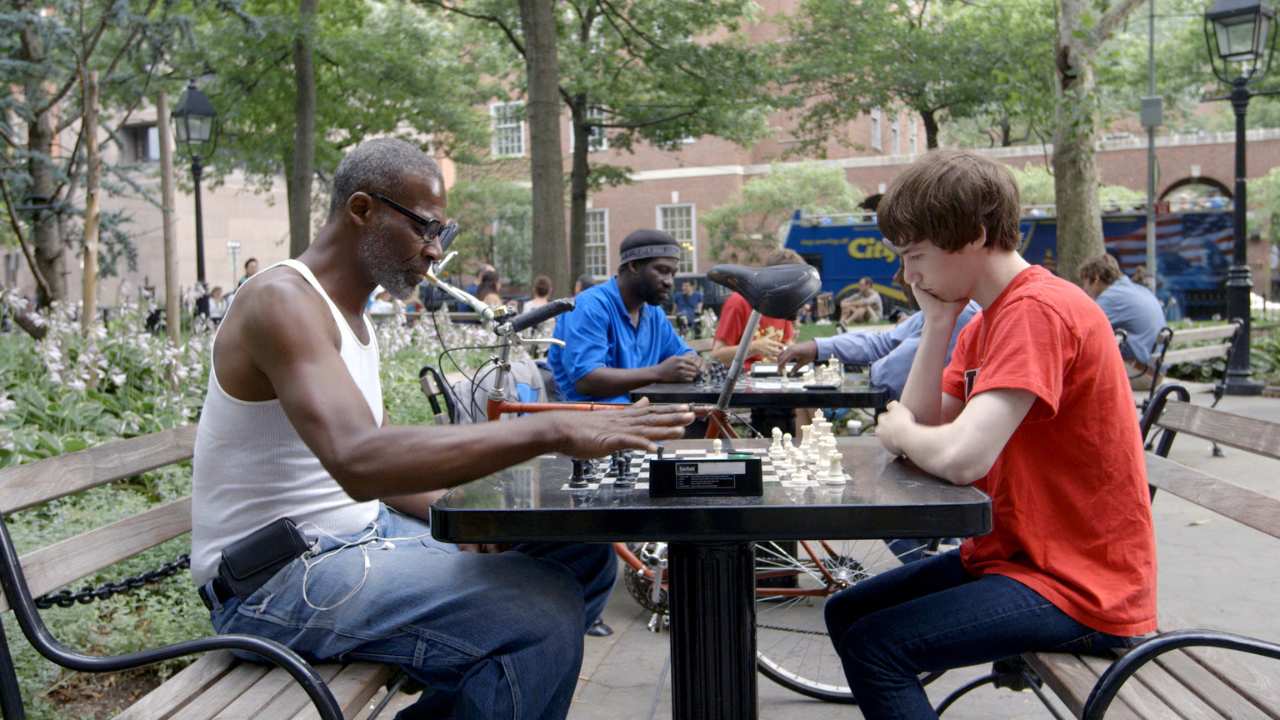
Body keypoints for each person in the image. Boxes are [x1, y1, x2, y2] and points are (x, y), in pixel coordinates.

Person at [190, 138, 692, 720]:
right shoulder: (282, 301)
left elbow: (382, 475)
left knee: (582, 556)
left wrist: (467, 523)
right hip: (275, 581)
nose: (433, 252)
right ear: (361, 210)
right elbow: (361, 460)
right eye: (426, 229)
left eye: (441, 236)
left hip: (357, 539)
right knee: (537, 618)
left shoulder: (349, 316)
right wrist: (550, 430)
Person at [824, 150, 1156, 720]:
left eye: (916, 255)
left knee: (876, 646)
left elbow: (956, 456)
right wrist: (936, 322)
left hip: (1081, 585)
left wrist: (902, 429)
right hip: (1018, 558)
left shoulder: (1038, 310)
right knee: (847, 614)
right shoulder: (985, 320)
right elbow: (929, 428)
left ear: (975, 234)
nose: (908, 276)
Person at [548, 229, 702, 404]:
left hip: (635, 416)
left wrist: (692, 363)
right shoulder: (590, 306)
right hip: (586, 422)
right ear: (634, 266)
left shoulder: (653, 314)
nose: (669, 282)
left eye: (672, 274)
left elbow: (683, 353)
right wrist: (658, 373)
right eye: (662, 270)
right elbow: (586, 379)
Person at [777, 270, 980, 402]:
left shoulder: (959, 315)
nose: (901, 276)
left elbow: (889, 377)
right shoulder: (935, 312)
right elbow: (882, 343)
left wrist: (846, 373)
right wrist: (818, 347)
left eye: (914, 258)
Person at [1078, 253, 1167, 390]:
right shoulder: (1139, 290)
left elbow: (1079, 330)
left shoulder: (1111, 297)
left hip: (1139, 375)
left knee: (1076, 373)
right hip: (1154, 374)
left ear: (1095, 279)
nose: (1084, 290)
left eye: (1084, 283)